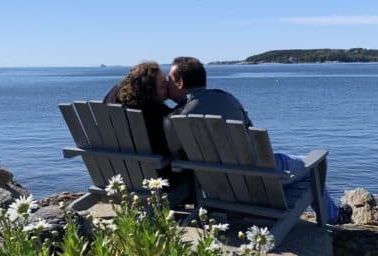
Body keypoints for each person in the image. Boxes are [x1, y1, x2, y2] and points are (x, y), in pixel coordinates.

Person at [165, 56, 348, 224]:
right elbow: (251, 132)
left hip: (218, 188)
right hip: (257, 177)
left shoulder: (176, 118)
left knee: (298, 171)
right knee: (314, 165)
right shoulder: (226, 99)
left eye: (168, 80)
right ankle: (333, 216)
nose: (166, 84)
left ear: (180, 82)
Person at [104, 61, 174, 175]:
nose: (168, 89)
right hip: (153, 178)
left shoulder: (112, 97)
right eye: (163, 86)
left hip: (116, 174)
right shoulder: (154, 114)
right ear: (149, 90)